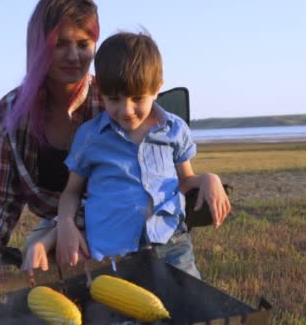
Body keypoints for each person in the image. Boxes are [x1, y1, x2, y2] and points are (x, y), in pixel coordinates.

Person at [0, 0, 231, 278]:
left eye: (83, 44)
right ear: (39, 45)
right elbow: (0, 191)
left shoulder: (113, 98)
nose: (73, 56)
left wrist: (54, 233)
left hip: (113, 227)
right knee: (40, 269)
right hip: (73, 227)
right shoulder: (13, 111)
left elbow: (160, 181)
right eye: (60, 44)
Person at [26, 31, 231, 279]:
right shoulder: (91, 136)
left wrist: (209, 179)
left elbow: (186, 181)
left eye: (137, 99)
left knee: (189, 308)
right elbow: (72, 191)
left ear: (157, 89)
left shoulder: (174, 130)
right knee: (114, 315)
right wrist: (67, 225)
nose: (126, 110)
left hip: (171, 244)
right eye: (114, 99)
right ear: (100, 89)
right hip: (111, 253)